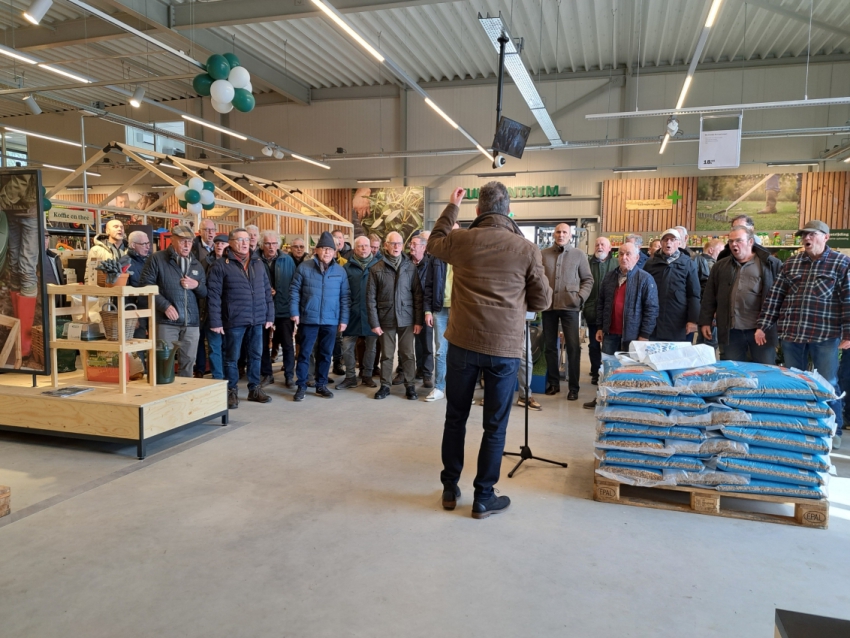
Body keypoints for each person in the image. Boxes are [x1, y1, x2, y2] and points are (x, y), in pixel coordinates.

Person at [427, 182, 552, 519]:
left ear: (478, 210)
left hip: (462, 344)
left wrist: (452, 207)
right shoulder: (526, 248)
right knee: (495, 426)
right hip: (504, 348)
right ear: (509, 210)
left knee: (455, 418)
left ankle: (450, 488)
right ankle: (483, 496)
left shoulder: (460, 240)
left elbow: (433, 242)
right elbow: (542, 300)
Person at [756, 220, 850, 449]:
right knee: (794, 383)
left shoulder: (841, 263)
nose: (806, 238)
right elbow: (775, 296)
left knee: (828, 382)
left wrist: (848, 334)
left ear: (826, 237)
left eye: (812, 234)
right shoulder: (792, 263)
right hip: (792, 334)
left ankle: (833, 429)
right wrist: (763, 325)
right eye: (803, 235)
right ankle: (796, 426)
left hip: (825, 335)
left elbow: (848, 299)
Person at [583, 242, 658, 409]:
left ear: (637, 257)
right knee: (607, 369)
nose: (624, 257)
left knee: (630, 371)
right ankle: (602, 398)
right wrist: (600, 327)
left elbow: (652, 309)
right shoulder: (609, 277)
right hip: (610, 333)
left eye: (628, 254)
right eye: (621, 254)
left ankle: (627, 403)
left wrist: (644, 335)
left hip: (633, 336)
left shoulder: (645, 279)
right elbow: (602, 303)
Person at [206, 228, 275, 409]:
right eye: (240, 240)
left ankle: (254, 389)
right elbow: (213, 296)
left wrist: (270, 314)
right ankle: (231, 391)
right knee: (232, 357)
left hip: (257, 318)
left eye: (246, 239)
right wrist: (215, 321)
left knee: (256, 355)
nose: (245, 243)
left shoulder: (258, 263)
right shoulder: (220, 265)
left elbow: (266, 290)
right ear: (231, 242)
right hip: (234, 319)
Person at [699, 226, 780, 365]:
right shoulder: (720, 266)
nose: (733, 244)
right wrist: (705, 321)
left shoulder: (770, 264)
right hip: (732, 332)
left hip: (761, 331)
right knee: (734, 371)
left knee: (764, 370)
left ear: (750, 242)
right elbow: (709, 295)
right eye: (731, 241)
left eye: (738, 240)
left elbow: (780, 296)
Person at [139, 226, 207, 378]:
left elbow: (204, 292)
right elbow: (145, 286)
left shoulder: (196, 264)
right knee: (164, 361)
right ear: (172, 240)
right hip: (166, 321)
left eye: (190, 241)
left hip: (191, 322)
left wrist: (196, 285)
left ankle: (184, 391)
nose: (187, 245)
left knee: (189, 362)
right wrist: (165, 306)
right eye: (183, 241)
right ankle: (161, 391)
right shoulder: (157, 259)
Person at [290, 231, 350, 401]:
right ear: (316, 250)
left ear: (334, 252)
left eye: (330, 249)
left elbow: (345, 297)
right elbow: (294, 291)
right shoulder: (304, 268)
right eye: (323, 249)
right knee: (305, 353)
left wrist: (343, 319)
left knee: (325, 354)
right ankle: (301, 385)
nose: (326, 252)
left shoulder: (340, 271)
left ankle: (321, 385)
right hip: (309, 318)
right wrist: (294, 312)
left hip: (331, 320)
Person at [367, 231, 424, 400]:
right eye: (393, 243)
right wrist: (374, 323)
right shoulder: (376, 268)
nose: (397, 246)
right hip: (386, 318)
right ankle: (385, 386)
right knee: (387, 355)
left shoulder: (410, 267)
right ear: (386, 245)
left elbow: (418, 295)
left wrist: (418, 320)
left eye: (399, 243)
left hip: (407, 318)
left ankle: (410, 386)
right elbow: (370, 298)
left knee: (408, 354)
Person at [541, 223, 593, 400]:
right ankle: (554, 383)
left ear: (570, 235)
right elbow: (537, 278)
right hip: (548, 307)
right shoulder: (543, 254)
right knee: (550, 347)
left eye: (564, 232)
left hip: (570, 307)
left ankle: (574, 388)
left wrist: (579, 298)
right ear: (553, 234)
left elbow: (588, 280)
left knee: (573, 347)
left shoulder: (579, 255)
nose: (561, 235)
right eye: (558, 232)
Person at [644, 228, 700, 341]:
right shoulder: (650, 264)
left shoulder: (688, 264)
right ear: (661, 243)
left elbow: (694, 294)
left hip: (677, 321)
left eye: (672, 239)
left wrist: (693, 320)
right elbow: (643, 291)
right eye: (665, 239)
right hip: (653, 321)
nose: (668, 242)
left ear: (679, 243)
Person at [423, 222, 459, 403]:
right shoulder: (436, 257)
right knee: (440, 350)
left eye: (455, 231)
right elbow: (428, 285)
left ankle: (457, 389)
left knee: (459, 352)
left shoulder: (465, 255)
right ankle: (439, 387)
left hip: (461, 310)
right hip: (439, 309)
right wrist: (427, 311)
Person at [338, 236, 379, 389]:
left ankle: (367, 375)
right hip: (351, 313)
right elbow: (342, 293)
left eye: (366, 246)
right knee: (347, 346)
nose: (363, 249)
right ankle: (350, 377)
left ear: (371, 248)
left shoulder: (378, 266)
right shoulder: (346, 268)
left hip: (371, 314)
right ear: (355, 249)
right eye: (360, 246)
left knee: (371, 347)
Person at [259, 230, 296, 388]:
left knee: (287, 344)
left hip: (284, 308)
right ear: (262, 245)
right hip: (262, 309)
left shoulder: (287, 260)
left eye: (274, 243)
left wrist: (294, 309)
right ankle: (267, 374)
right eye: (267, 243)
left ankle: (289, 375)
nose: (271, 246)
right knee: (262, 344)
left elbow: (294, 285)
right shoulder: (255, 260)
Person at [584, 236, 617, 385]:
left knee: (610, 344)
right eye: (597, 244)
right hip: (592, 311)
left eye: (603, 244)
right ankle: (596, 371)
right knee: (593, 344)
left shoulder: (616, 263)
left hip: (611, 313)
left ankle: (610, 372)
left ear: (609, 248)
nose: (600, 247)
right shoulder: (587, 263)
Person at [403, 234, 433, 388]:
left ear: (423, 247)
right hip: (408, 308)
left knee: (425, 342)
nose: (411, 246)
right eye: (411, 244)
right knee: (407, 343)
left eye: (415, 244)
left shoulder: (430, 264)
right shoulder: (405, 262)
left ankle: (426, 373)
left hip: (424, 307)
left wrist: (429, 310)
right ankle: (407, 371)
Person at [200, 234, 229, 380]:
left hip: (229, 313)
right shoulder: (204, 263)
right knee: (214, 346)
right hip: (210, 311)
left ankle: (228, 377)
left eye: (223, 243)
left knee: (227, 348)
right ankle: (218, 378)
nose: (219, 246)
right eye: (217, 243)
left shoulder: (233, 263)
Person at [126, 230, 151, 346]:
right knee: (138, 346)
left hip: (152, 309)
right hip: (136, 312)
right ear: (133, 245)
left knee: (154, 346)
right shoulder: (125, 263)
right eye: (144, 244)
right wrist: (131, 314)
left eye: (148, 243)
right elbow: (123, 292)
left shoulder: (151, 260)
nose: (148, 247)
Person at [86, 218, 127, 284]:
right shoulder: (96, 250)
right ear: (107, 231)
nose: (120, 229)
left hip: (127, 289)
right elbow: (90, 274)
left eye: (122, 227)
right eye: (116, 227)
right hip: (105, 288)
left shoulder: (130, 251)